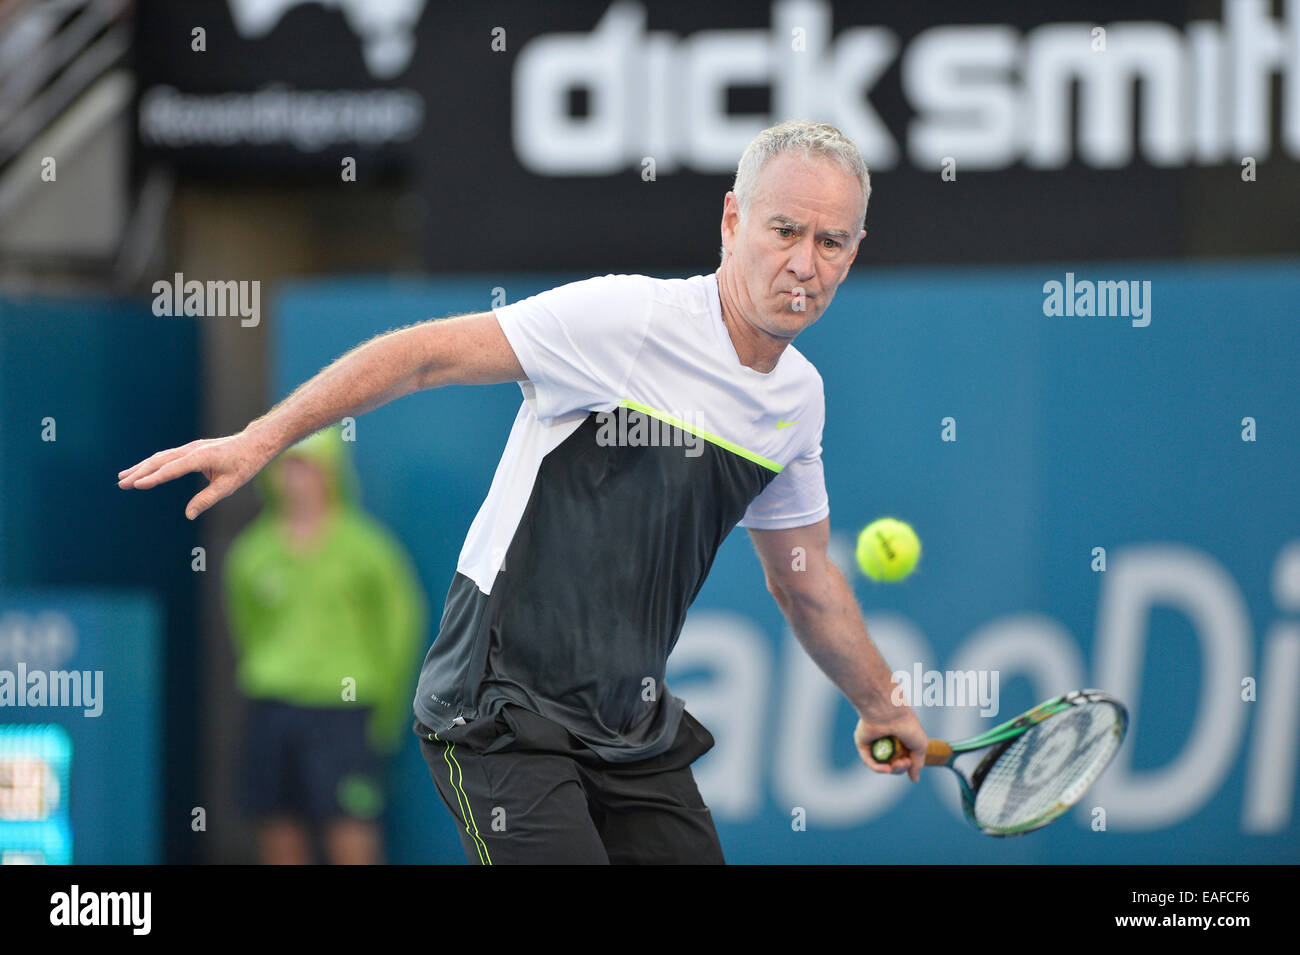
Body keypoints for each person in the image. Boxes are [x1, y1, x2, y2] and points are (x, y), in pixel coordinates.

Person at [118, 119, 929, 865]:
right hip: (501, 709)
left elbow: (806, 578)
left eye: (832, 241)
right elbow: (425, 354)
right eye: (785, 229)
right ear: (731, 221)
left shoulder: (798, 399)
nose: (804, 262)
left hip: (630, 727)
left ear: (854, 250)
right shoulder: (629, 319)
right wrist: (261, 436)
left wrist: (882, 702)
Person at [222, 425, 426, 864]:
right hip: (272, 708)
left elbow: (400, 629)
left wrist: (386, 713)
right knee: (276, 822)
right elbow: (247, 625)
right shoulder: (251, 553)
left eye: (309, 466)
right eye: (289, 466)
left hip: (344, 714)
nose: (298, 479)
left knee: (349, 826)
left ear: (331, 472)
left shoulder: (370, 550)